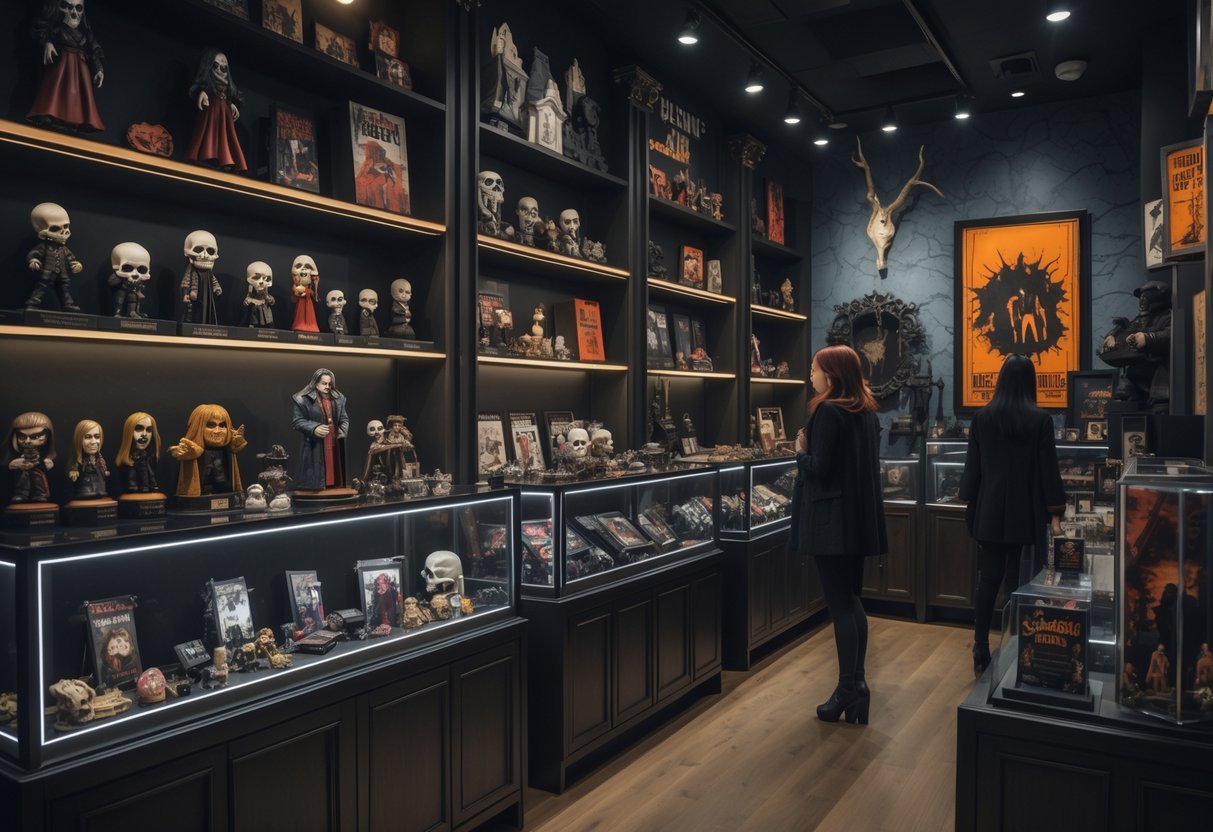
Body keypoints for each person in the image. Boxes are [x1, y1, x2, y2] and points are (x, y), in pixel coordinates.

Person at [790, 344, 887, 725]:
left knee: (841, 605)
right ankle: (857, 685)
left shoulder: (829, 411)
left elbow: (819, 468)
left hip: (830, 522)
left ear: (829, 374)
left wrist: (798, 451)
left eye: (814, 369)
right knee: (852, 601)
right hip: (856, 520)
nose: (810, 376)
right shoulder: (865, 412)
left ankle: (849, 687)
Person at [959, 354, 1065, 677]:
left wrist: (968, 503)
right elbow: (1049, 471)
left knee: (987, 578)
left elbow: (972, 471)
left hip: (988, 510)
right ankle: (1020, 645)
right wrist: (1056, 513)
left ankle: (980, 645)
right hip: (1024, 511)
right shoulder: (1040, 420)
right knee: (1019, 580)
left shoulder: (982, 418)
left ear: (1001, 379)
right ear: (1030, 382)